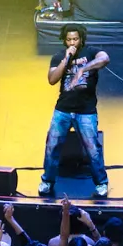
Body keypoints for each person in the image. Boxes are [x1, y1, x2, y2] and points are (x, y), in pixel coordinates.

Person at [42, 24, 111, 198]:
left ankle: (101, 183)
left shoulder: (91, 52)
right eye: (69, 39)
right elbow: (52, 79)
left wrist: (83, 69)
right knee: (52, 145)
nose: (72, 42)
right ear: (64, 40)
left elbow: (105, 58)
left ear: (81, 39)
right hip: (63, 109)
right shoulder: (59, 56)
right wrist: (66, 59)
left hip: (86, 110)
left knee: (92, 149)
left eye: (75, 39)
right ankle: (47, 181)